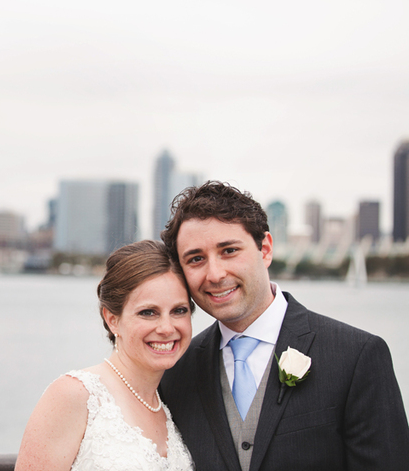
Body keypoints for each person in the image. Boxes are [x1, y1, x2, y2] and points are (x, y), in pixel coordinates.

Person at [159, 180, 409, 471]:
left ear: (265, 249)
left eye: (229, 251)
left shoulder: (357, 356)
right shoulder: (175, 372)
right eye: (196, 259)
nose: (214, 274)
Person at [15, 240, 195, 471]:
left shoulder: (169, 406)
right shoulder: (75, 395)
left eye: (179, 311)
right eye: (148, 312)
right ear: (112, 320)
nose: (167, 328)